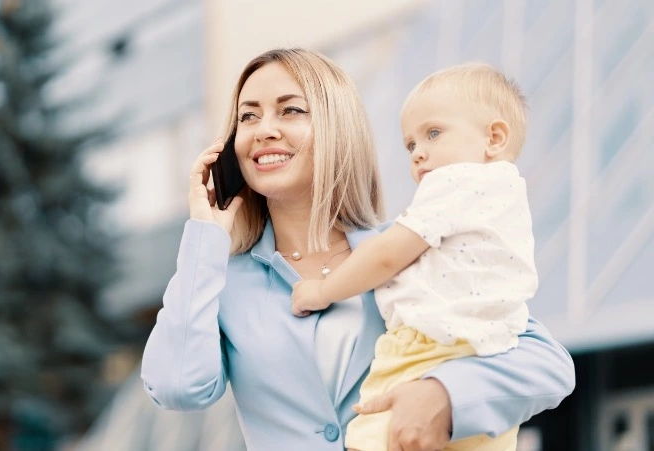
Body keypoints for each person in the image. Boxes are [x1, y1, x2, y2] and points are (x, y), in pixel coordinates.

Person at [141, 48, 574, 451]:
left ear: (336, 128)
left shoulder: (412, 244)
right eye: (247, 116)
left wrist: (443, 393)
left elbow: (548, 365)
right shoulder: (220, 279)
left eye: (291, 110)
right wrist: (205, 235)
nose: (264, 130)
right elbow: (178, 386)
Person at [291, 62, 537, 451]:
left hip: (425, 352)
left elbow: (388, 256)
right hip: (488, 358)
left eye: (433, 134)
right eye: (411, 145)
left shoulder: (455, 182)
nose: (419, 154)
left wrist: (322, 291)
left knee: (372, 441)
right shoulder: (508, 198)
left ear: (494, 137)